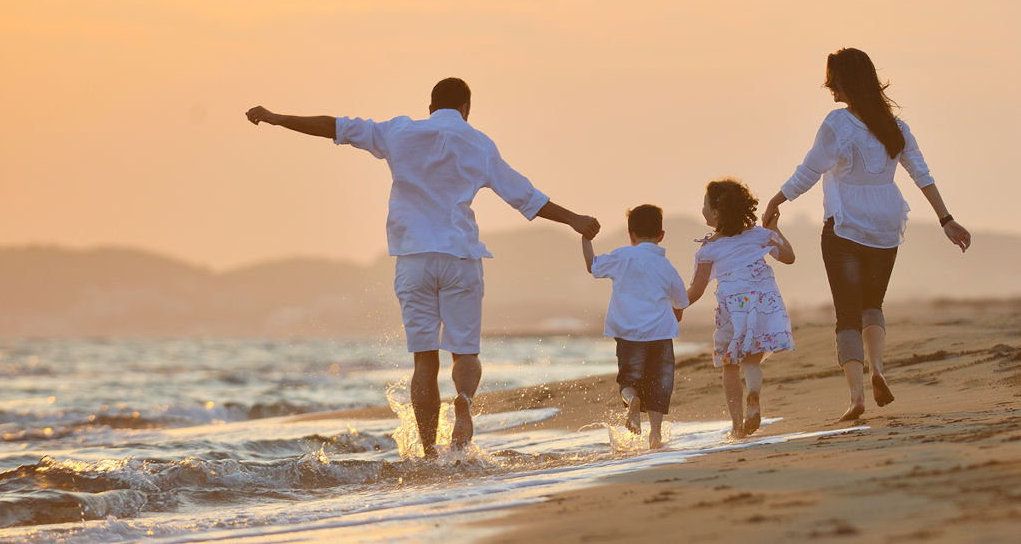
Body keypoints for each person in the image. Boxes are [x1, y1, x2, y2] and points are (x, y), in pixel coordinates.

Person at [244, 78, 600, 458]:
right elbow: (525, 196)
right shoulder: (479, 143)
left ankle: (429, 451)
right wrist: (573, 219)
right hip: (460, 258)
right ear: (466, 109)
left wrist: (278, 118)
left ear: (429, 108)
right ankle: (462, 400)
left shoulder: (400, 132)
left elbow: (336, 126)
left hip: (413, 261)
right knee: (464, 352)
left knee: (424, 359)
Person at [761, 47, 971, 423]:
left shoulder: (837, 125)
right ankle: (878, 369)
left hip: (844, 226)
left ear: (846, 83)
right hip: (885, 227)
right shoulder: (896, 127)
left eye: (834, 82)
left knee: (846, 313)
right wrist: (946, 219)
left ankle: (857, 396)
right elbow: (922, 175)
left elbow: (809, 171)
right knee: (872, 305)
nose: (831, 90)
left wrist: (777, 200)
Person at [686, 179, 796, 438]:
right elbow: (789, 257)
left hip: (733, 307)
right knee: (752, 359)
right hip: (763, 302)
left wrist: (674, 307)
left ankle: (737, 426)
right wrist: (774, 229)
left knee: (729, 364)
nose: (701, 209)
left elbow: (696, 290)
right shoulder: (759, 235)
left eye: (704, 204)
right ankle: (754, 396)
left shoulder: (709, 249)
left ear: (715, 213)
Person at [581, 204, 690, 449]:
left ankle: (632, 400)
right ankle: (655, 436)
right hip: (661, 335)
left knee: (628, 382)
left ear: (631, 236)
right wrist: (677, 314)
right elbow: (681, 300)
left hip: (629, 335)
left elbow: (592, 266)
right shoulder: (666, 266)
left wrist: (585, 239)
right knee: (659, 385)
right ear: (661, 235)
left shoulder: (622, 256)